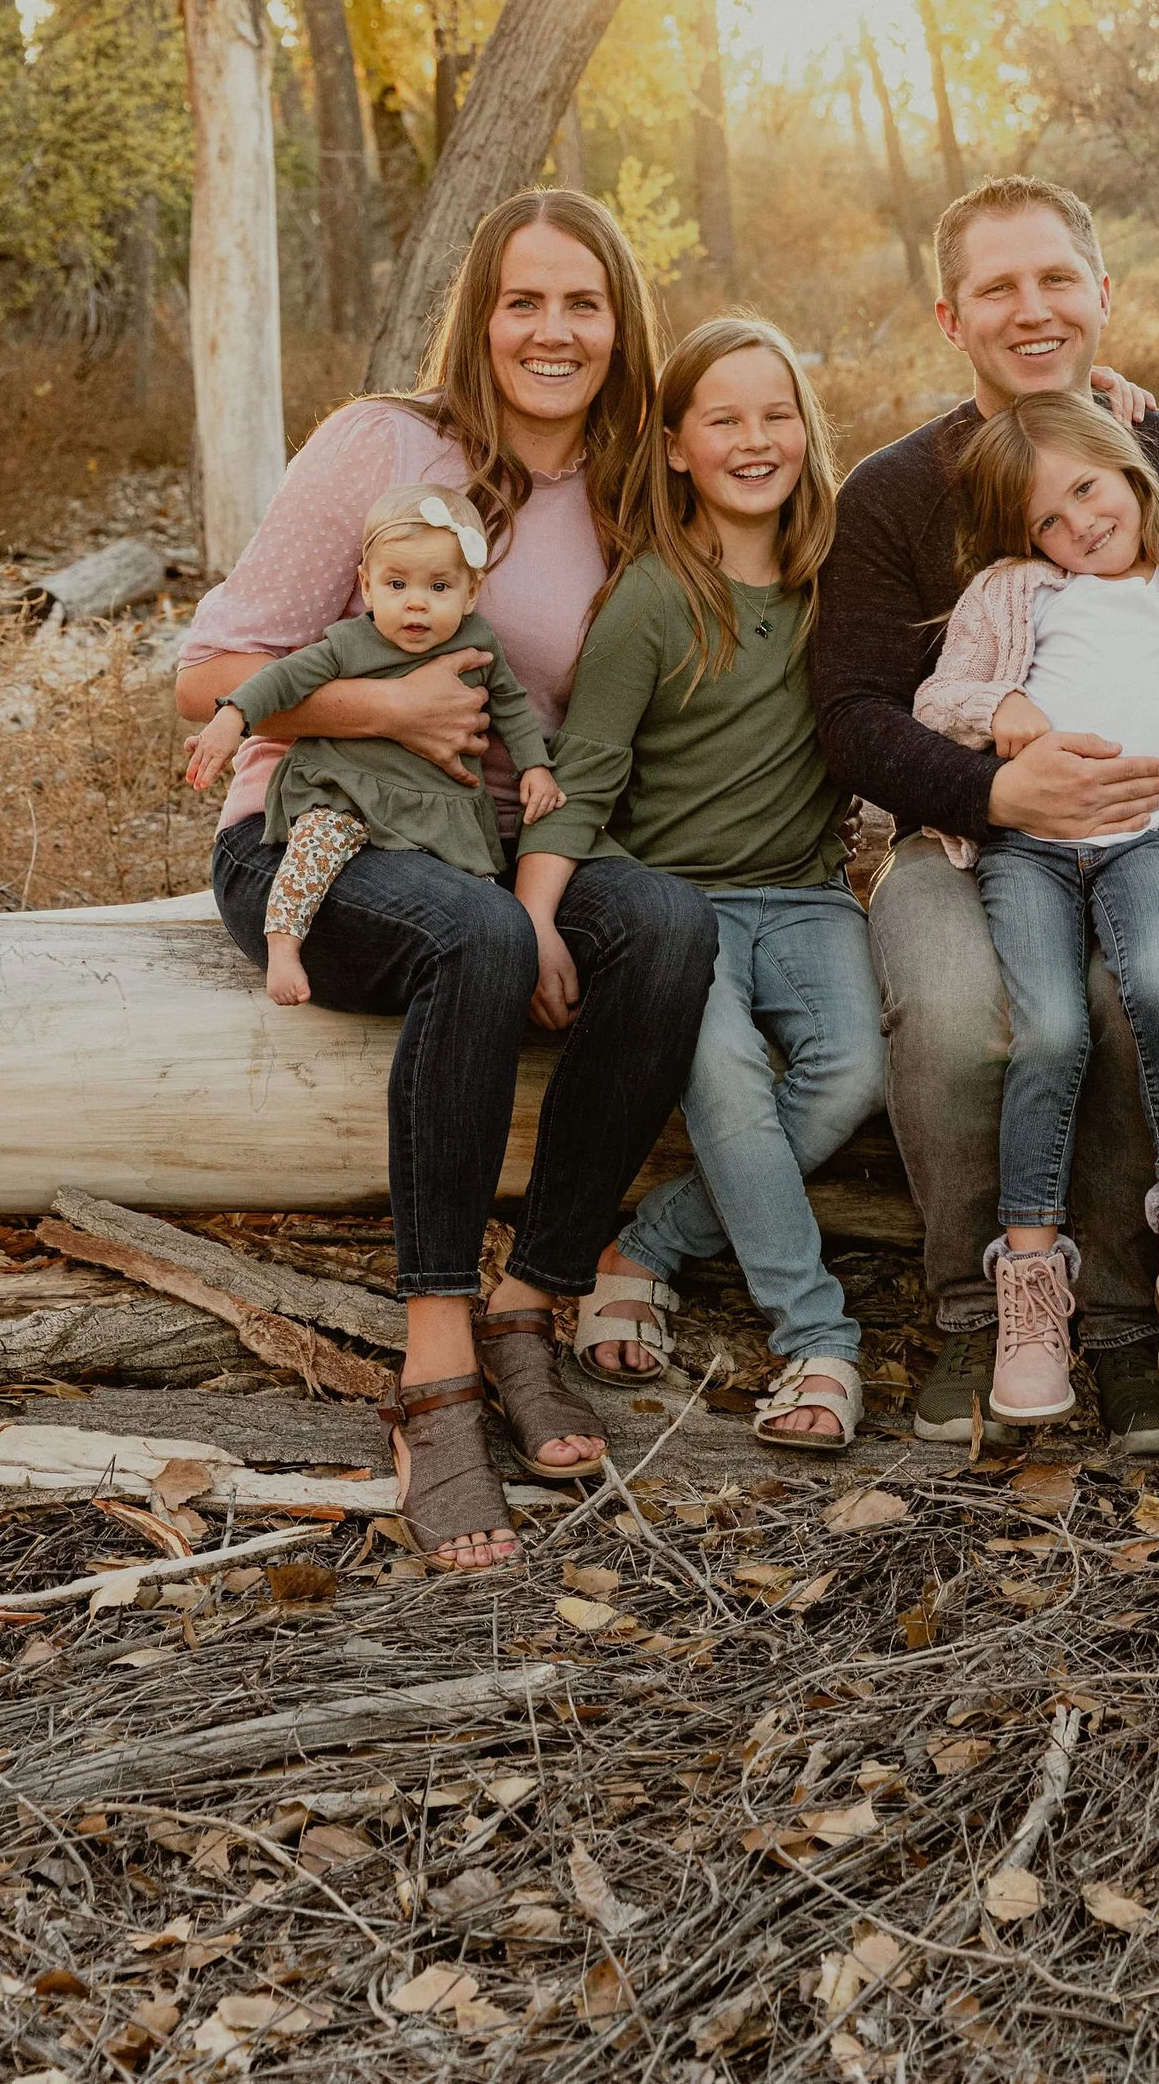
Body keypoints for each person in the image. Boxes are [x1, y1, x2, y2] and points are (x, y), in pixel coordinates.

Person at [178, 192, 721, 1570]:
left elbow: (803, 477)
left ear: (621, 323)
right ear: (481, 314)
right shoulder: (385, 443)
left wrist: (1085, 400)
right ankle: (432, 1375)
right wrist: (388, 709)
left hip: (493, 851)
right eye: (523, 300)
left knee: (663, 923)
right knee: (480, 935)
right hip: (317, 843)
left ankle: (528, 1305)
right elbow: (204, 672)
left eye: (583, 303)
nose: (554, 329)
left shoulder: (636, 478)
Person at [812, 174, 1159, 1452]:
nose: (1032, 309)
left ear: (1101, 294)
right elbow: (850, 712)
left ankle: (1134, 1322)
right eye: (996, 287)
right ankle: (982, 1306)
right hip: (958, 838)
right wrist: (991, 784)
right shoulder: (897, 488)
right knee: (975, 1019)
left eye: (1055, 279)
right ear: (949, 315)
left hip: (1158, 840)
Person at [516, 319, 885, 1451]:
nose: (754, 438)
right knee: (723, 1072)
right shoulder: (651, 599)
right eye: (723, 418)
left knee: (853, 1072)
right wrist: (535, 916)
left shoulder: (840, 577)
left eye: (776, 413)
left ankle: (652, 1245)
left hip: (810, 894)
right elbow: (584, 776)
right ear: (676, 445)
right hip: (676, 902)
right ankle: (815, 1339)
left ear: (805, 432)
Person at [914, 393, 1159, 1423]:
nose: (1078, 526)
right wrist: (996, 706)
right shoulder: (1013, 591)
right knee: (1044, 1026)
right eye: (1048, 518)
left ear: (1127, 468)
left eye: (1087, 490)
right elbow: (935, 699)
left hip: (1153, 844)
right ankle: (1032, 1286)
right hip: (1029, 854)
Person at [184, 485, 566, 1006]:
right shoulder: (349, 643)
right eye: (396, 583)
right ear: (366, 584)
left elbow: (513, 708)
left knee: (485, 903)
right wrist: (233, 716)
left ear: (470, 593)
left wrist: (535, 768)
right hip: (349, 789)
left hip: (437, 808)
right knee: (314, 849)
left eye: (438, 586)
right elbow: (282, 680)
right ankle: (284, 944)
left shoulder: (479, 644)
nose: (415, 602)